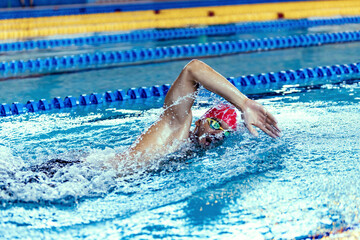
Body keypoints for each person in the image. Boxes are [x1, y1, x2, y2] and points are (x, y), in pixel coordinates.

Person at [108, 59, 281, 171]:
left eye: (225, 132)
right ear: (198, 123)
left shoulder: (193, 152)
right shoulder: (177, 126)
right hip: (97, 173)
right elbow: (193, 69)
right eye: (214, 124)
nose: (217, 133)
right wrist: (244, 103)